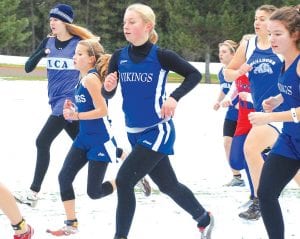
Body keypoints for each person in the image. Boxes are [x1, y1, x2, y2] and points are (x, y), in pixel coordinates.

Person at [102, 3, 214, 239]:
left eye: (132, 22)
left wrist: (174, 97)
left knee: (123, 181)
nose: (126, 26)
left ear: (147, 26)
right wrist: (108, 88)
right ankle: (204, 218)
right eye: (124, 22)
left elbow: (194, 74)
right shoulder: (119, 57)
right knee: (168, 186)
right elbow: (108, 94)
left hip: (157, 130)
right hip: (133, 131)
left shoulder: (162, 56)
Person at [46, 39, 125, 236]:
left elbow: (102, 110)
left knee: (94, 192)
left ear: (91, 59)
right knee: (64, 177)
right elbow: (86, 106)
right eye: (75, 53)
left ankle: (125, 180)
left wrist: (77, 116)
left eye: (80, 54)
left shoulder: (91, 79)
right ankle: (71, 224)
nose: (75, 56)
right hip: (84, 138)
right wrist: (73, 110)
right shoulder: (80, 79)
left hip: (100, 140)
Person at [224, 4, 283, 220]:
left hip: (283, 113)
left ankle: (261, 202)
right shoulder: (248, 45)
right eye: (256, 18)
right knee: (251, 152)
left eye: (263, 18)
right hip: (261, 115)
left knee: (251, 149)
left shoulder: (283, 45)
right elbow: (228, 72)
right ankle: (261, 201)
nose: (257, 22)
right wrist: (238, 71)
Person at [248, 6, 300, 239]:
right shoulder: (284, 61)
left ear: (295, 34)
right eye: (270, 33)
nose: (271, 39)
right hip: (291, 139)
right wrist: (277, 99)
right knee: (266, 193)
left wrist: (269, 117)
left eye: (278, 33)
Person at [214, 40, 245, 187]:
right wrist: (218, 101)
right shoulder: (222, 72)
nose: (221, 55)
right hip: (232, 112)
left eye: (224, 52)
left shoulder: (239, 70)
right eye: (220, 52)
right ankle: (237, 177)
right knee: (227, 142)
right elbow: (224, 88)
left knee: (250, 144)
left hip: (246, 111)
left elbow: (238, 89)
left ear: (234, 54)